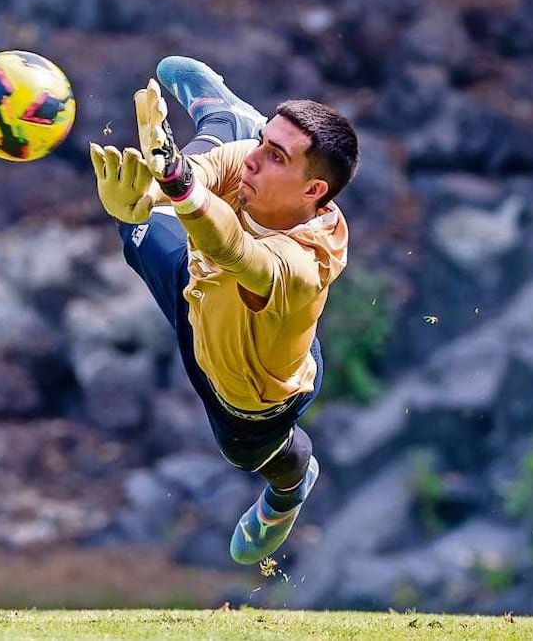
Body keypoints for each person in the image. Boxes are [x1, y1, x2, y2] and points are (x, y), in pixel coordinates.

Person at [89, 56, 359, 565]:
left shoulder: (299, 268)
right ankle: (223, 118)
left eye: (276, 155)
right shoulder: (253, 167)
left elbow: (232, 247)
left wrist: (172, 181)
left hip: (252, 394)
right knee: (138, 219)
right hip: (198, 290)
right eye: (262, 141)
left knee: (255, 458)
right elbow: (206, 173)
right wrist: (148, 193)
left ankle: (289, 492)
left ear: (314, 190)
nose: (255, 159)